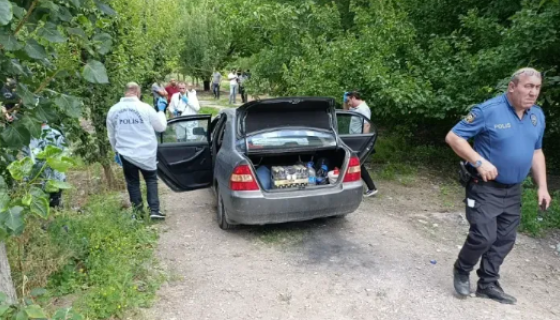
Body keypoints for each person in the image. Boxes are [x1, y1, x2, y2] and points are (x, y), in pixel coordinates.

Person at [446, 67, 551, 304]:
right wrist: (479, 161)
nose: (533, 93)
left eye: (537, 88)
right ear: (512, 87)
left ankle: (488, 283)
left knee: (505, 239)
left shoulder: (537, 115)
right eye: (528, 86)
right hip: (484, 187)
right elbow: (454, 137)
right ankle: (462, 270)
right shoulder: (488, 111)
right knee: (483, 236)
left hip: (513, 190)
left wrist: (542, 186)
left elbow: (537, 151)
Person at [107, 82, 168, 220]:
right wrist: (160, 110)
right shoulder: (145, 108)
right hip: (146, 152)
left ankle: (138, 213)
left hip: (126, 153)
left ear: (126, 91)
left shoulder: (114, 110)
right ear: (136, 91)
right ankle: (154, 210)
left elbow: (111, 134)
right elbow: (161, 127)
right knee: (151, 180)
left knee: (133, 182)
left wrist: (116, 151)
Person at [22, 122, 68, 208]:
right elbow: (63, 155)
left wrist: (26, 178)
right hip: (56, 179)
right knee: (54, 205)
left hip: (38, 180)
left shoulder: (30, 138)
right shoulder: (56, 134)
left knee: (40, 207)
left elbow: (26, 159)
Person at [344, 91, 378, 197]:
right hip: (354, 140)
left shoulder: (363, 108)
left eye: (349, 100)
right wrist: (345, 101)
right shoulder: (356, 109)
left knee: (359, 164)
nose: (349, 103)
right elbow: (345, 111)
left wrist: (364, 141)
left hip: (359, 141)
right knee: (357, 164)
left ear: (354, 97)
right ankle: (362, 187)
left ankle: (372, 188)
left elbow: (366, 125)